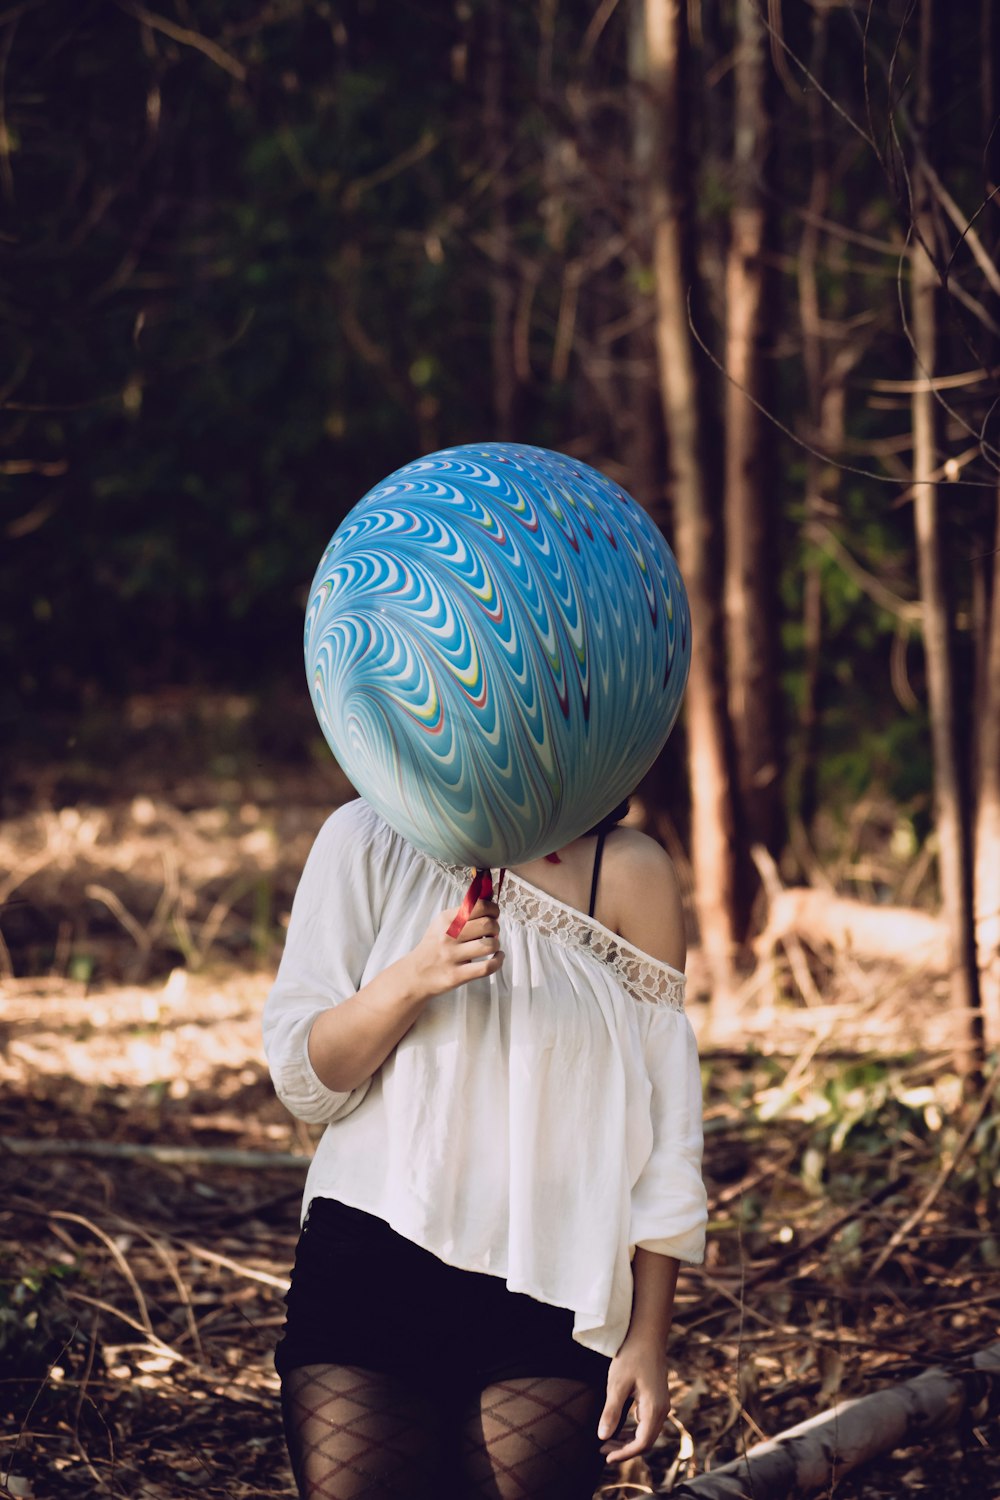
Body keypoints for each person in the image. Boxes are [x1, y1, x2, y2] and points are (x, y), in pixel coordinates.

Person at [263, 794, 707, 1499]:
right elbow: (310, 1084)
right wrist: (414, 978)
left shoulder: (629, 871)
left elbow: (668, 1133)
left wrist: (648, 1336)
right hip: (370, 1263)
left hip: (551, 1287)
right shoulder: (367, 837)